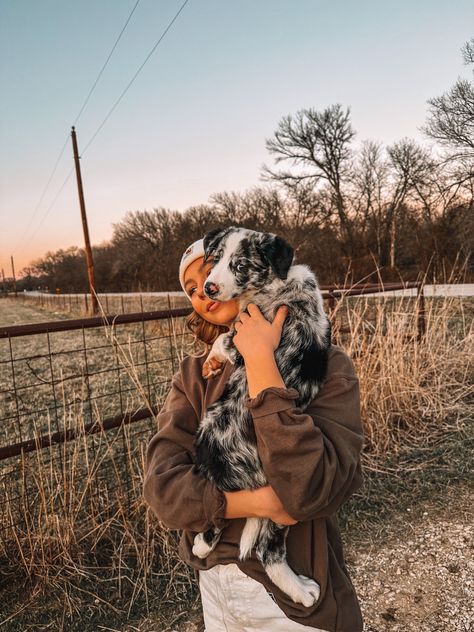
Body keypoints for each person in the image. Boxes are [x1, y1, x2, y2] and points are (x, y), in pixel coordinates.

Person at [143, 237, 364, 632]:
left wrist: (261, 359)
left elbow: (311, 488)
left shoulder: (326, 364)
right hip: (215, 588)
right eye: (191, 289)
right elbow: (163, 491)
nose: (206, 288)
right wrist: (257, 503)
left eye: (211, 269)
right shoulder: (194, 376)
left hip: (293, 606)